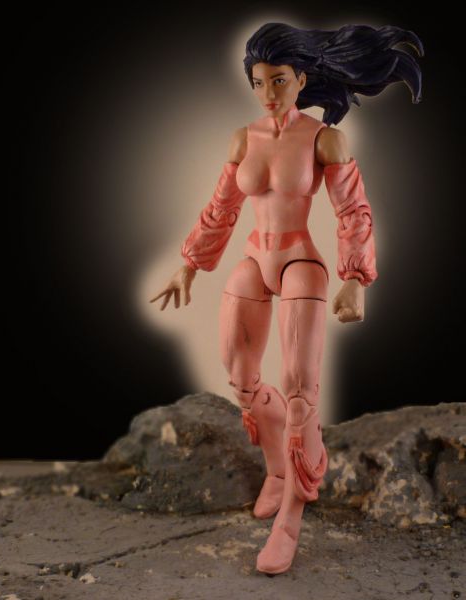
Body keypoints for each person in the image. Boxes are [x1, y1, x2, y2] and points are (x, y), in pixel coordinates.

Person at [150, 22, 423, 575]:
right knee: (242, 379)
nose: (268, 92)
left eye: (278, 80)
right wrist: (190, 265)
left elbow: (353, 212)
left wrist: (355, 278)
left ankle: (291, 518)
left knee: (300, 391)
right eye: (259, 82)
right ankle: (278, 470)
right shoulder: (243, 138)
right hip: (255, 257)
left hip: (300, 261)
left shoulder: (325, 139)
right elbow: (221, 209)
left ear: (301, 79)